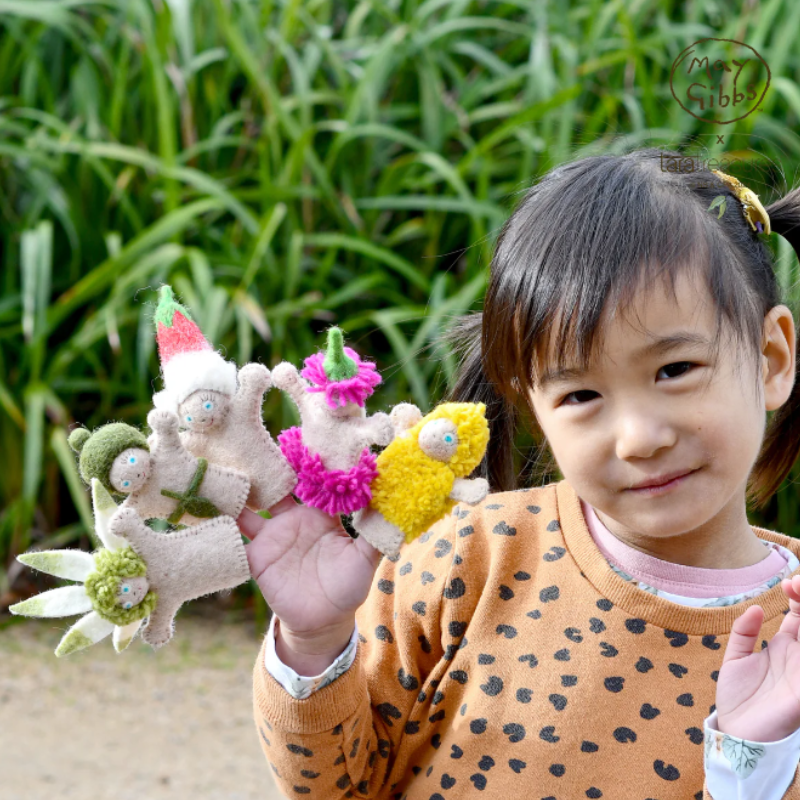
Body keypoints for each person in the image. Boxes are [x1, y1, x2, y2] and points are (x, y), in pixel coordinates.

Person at [239, 147, 800, 799]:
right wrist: (314, 641)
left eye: (675, 371)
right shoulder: (459, 561)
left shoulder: (789, 634)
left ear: (772, 358)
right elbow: (338, 786)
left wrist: (750, 764)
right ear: (533, 406)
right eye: (581, 396)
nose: (640, 438)